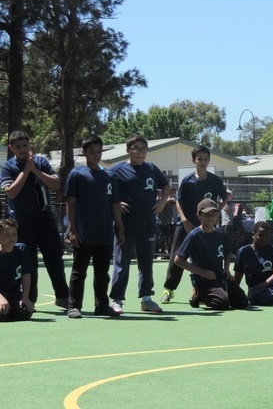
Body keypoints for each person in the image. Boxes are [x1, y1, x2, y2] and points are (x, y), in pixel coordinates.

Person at [0, 130, 69, 309]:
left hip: (46, 220)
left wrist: (35, 170)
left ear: (29, 145)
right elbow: (11, 192)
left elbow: (55, 184)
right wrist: (25, 171)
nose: (23, 150)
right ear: (12, 148)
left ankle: (63, 296)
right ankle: (29, 300)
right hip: (23, 223)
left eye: (25, 145)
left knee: (54, 259)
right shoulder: (8, 167)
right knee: (28, 263)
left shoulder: (41, 162)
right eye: (18, 147)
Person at [65, 135, 125, 319]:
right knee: (79, 271)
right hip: (84, 233)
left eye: (99, 151)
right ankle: (74, 306)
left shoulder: (109, 175)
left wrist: (120, 228)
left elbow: (115, 204)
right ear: (84, 153)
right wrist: (72, 229)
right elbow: (71, 203)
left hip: (104, 233)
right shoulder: (77, 174)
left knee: (102, 273)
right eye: (92, 151)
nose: (96, 155)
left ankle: (102, 306)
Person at [109, 135, 171, 314]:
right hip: (125, 225)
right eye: (136, 148)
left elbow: (166, 186)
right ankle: (117, 301)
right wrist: (116, 204)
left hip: (147, 224)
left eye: (143, 149)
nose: (140, 152)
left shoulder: (151, 169)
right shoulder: (117, 170)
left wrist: (162, 201)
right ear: (128, 150)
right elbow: (105, 189)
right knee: (122, 264)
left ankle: (146, 300)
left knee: (146, 263)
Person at [161, 145, 227, 304]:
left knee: (205, 259)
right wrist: (184, 221)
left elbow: (225, 197)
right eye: (199, 159)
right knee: (177, 257)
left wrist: (215, 213)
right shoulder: (188, 181)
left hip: (206, 227)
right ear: (193, 160)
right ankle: (169, 290)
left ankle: (199, 288)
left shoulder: (214, 180)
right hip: (185, 226)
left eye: (206, 159)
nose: (203, 162)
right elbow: (179, 202)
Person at [174, 198, 248, 310]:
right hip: (202, 278)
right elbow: (178, 260)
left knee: (242, 302)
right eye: (206, 215)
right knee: (221, 303)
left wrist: (227, 269)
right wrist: (202, 273)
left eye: (214, 214)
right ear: (199, 216)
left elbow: (228, 253)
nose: (210, 218)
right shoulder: (194, 235)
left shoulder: (220, 234)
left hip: (220, 275)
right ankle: (199, 294)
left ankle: (220, 290)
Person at [0, 218, 33, 322]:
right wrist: (1, 299)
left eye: (14, 234)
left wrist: (25, 297)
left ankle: (12, 309)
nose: (12, 238)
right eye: (7, 235)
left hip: (14, 293)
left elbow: (26, 275)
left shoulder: (22, 250)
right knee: (2, 316)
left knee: (24, 313)